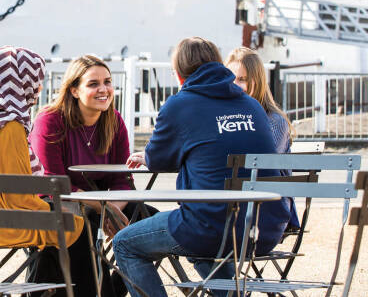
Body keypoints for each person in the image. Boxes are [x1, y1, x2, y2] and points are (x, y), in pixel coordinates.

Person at [112, 37, 291, 297]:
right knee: (204, 245)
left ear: (178, 74)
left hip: (211, 226)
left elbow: (160, 160)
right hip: (264, 228)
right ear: (220, 65)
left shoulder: (180, 104)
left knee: (125, 243)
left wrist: (152, 154)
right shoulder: (251, 105)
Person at [0, 46, 94, 297]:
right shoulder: (10, 129)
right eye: (35, 81)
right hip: (4, 224)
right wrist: (55, 208)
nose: (37, 89)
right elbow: (20, 199)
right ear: (21, 83)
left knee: (60, 232)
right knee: (79, 228)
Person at [29, 54, 139, 296]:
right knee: (83, 228)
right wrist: (104, 208)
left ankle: (117, 289)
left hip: (95, 204)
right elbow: (52, 183)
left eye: (107, 82)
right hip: (56, 204)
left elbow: (123, 180)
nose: (104, 89)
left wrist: (112, 208)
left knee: (143, 221)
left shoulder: (113, 121)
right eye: (93, 84)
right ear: (74, 91)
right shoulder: (50, 119)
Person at [225, 46, 300, 228]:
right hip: (233, 207)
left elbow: (261, 166)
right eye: (231, 79)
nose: (236, 85)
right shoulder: (223, 117)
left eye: (242, 80)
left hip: (266, 212)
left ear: (257, 82)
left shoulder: (275, 121)